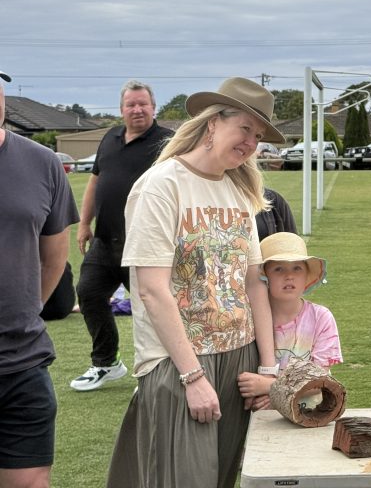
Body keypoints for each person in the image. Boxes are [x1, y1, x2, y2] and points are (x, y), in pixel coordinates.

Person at [106, 77, 280, 488]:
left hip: (240, 357)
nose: (251, 143)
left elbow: (254, 283)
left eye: (258, 136)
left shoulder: (239, 190)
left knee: (221, 479)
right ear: (212, 124)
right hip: (179, 360)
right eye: (245, 129)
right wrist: (192, 377)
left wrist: (269, 368)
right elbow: (151, 289)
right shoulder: (161, 185)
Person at [0, 70, 77, 488]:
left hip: (22, 363)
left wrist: (26, 310)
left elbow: (54, 259)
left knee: (29, 482)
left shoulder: (42, 163)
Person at [71, 80, 173, 391]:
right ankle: (107, 364)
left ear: (154, 108)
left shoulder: (168, 142)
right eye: (131, 104)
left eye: (143, 104)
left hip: (145, 244)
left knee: (150, 310)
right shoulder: (110, 137)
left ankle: (156, 371)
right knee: (88, 294)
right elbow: (95, 181)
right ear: (121, 109)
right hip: (105, 241)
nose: (137, 109)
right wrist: (85, 223)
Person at [236, 232, 340, 409]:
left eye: (297, 268)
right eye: (279, 269)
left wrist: (271, 387)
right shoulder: (249, 318)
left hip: (309, 416)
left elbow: (320, 381)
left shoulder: (321, 318)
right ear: (264, 276)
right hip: (261, 417)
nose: (289, 276)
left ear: (307, 275)